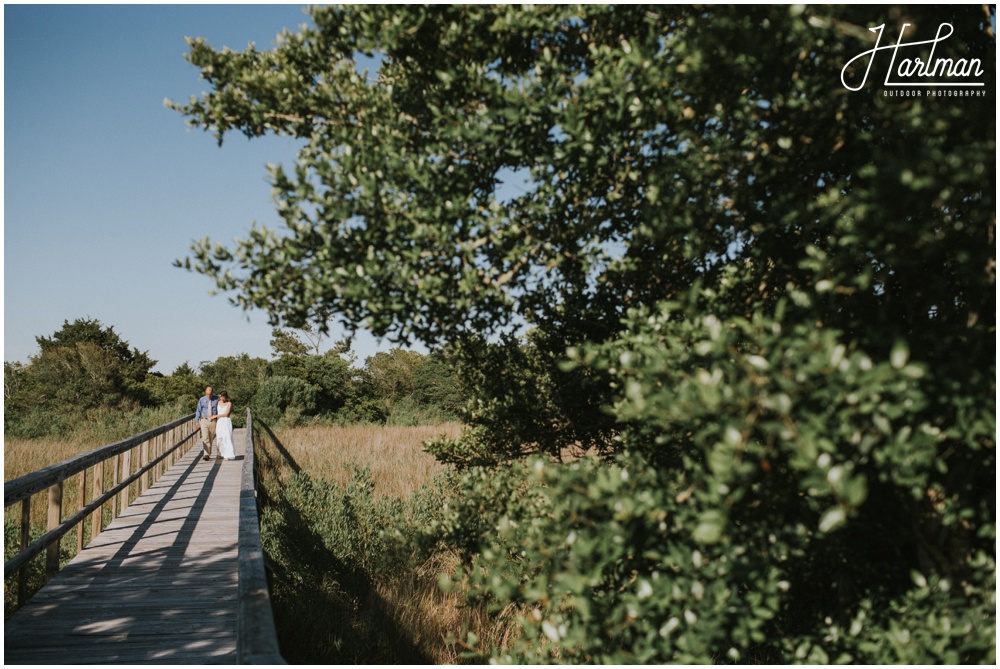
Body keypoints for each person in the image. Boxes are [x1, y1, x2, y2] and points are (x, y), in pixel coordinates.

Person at [195, 386, 219, 461]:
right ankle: (206, 454)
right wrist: (196, 421)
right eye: (208, 394)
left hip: (213, 421)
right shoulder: (202, 399)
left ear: (212, 393)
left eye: (210, 394)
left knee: (211, 438)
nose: (209, 396)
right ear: (205, 393)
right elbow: (198, 411)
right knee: (205, 437)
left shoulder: (217, 399)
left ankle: (208, 452)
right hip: (204, 420)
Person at [214, 391, 236, 461]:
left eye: (221, 397)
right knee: (220, 437)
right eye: (219, 397)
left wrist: (216, 416)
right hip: (219, 422)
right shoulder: (218, 403)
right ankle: (220, 453)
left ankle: (228, 454)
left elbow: (226, 413)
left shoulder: (229, 403)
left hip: (226, 421)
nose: (220, 398)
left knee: (227, 437)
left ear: (225, 397)